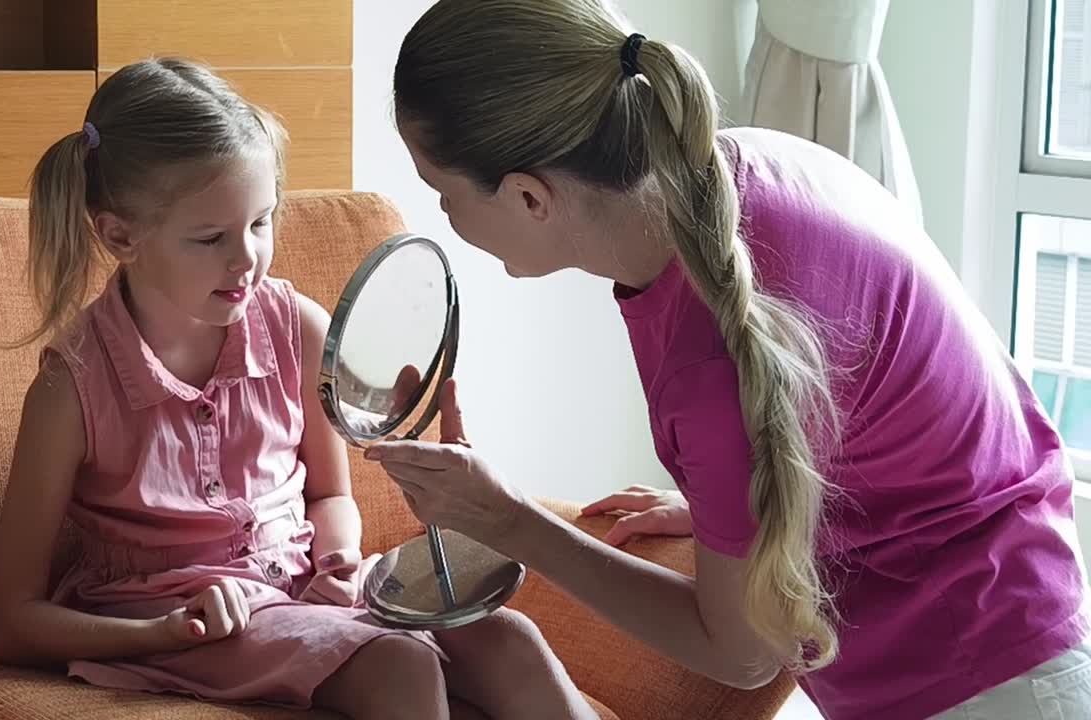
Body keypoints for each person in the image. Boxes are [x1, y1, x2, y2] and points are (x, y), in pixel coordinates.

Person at [364, 2, 1091, 719]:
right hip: (1018, 613)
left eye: (444, 194)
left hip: (980, 682)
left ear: (529, 197)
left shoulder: (711, 357)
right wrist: (726, 516)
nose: (448, 219)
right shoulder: (755, 172)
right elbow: (862, 417)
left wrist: (508, 519)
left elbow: (742, 656)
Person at [0, 57, 596, 720]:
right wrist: (157, 635)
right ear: (119, 235)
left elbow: (329, 493)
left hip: (307, 588)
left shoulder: (297, 326)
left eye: (260, 222)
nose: (246, 258)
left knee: (509, 640)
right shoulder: (70, 383)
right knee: (401, 665)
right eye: (211, 237)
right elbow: (12, 622)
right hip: (180, 617)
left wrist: (339, 558)